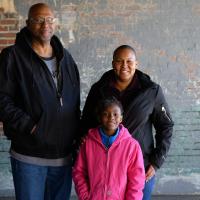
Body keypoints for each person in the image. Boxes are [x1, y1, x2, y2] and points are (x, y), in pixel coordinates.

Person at [0, 3, 80, 200]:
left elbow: (74, 102)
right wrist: (30, 126)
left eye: (50, 20)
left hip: (63, 158)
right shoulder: (12, 57)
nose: (45, 25)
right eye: (38, 20)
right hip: (30, 157)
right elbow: (1, 100)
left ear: (55, 23)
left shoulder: (66, 58)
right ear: (27, 23)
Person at [81, 45, 174, 200]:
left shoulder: (151, 91)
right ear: (112, 64)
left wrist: (157, 161)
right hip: (103, 171)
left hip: (140, 168)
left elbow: (166, 126)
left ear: (136, 64)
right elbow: (86, 123)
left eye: (129, 61)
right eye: (119, 61)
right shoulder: (99, 90)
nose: (124, 66)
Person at [73, 97, 145, 200]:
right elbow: (79, 172)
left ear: (121, 118)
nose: (111, 117)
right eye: (106, 114)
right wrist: (85, 197)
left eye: (115, 114)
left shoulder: (132, 146)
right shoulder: (88, 143)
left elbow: (137, 180)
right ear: (99, 118)